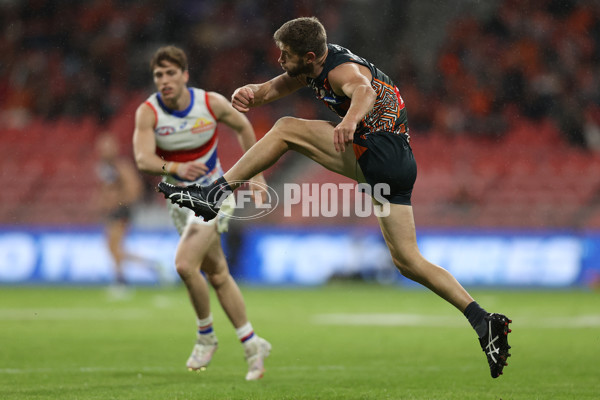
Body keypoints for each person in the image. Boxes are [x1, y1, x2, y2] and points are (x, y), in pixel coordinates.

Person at [157, 17, 513, 379]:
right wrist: (254, 92)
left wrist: (349, 121)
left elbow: (364, 91)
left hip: (379, 151)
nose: (279, 60)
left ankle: (212, 193)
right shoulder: (313, 67)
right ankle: (483, 321)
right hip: (397, 164)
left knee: (286, 129)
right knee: (407, 260)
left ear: (309, 56)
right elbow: (276, 86)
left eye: (285, 55)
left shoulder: (342, 70)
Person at [133, 46, 271, 380]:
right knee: (219, 274)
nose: (164, 81)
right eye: (158, 75)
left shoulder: (209, 103)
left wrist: (255, 174)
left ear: (185, 75)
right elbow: (142, 159)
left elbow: (243, 127)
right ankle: (253, 344)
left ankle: (206, 335)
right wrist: (175, 166)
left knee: (183, 264)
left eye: (170, 73)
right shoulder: (149, 112)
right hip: (181, 203)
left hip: (215, 194)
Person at [95, 132, 166, 294]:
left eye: (107, 147)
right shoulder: (106, 169)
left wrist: (120, 203)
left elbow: (134, 188)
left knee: (114, 246)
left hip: (122, 210)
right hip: (115, 210)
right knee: (113, 247)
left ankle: (121, 282)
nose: (103, 151)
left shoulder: (121, 166)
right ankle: (150, 265)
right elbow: (107, 191)